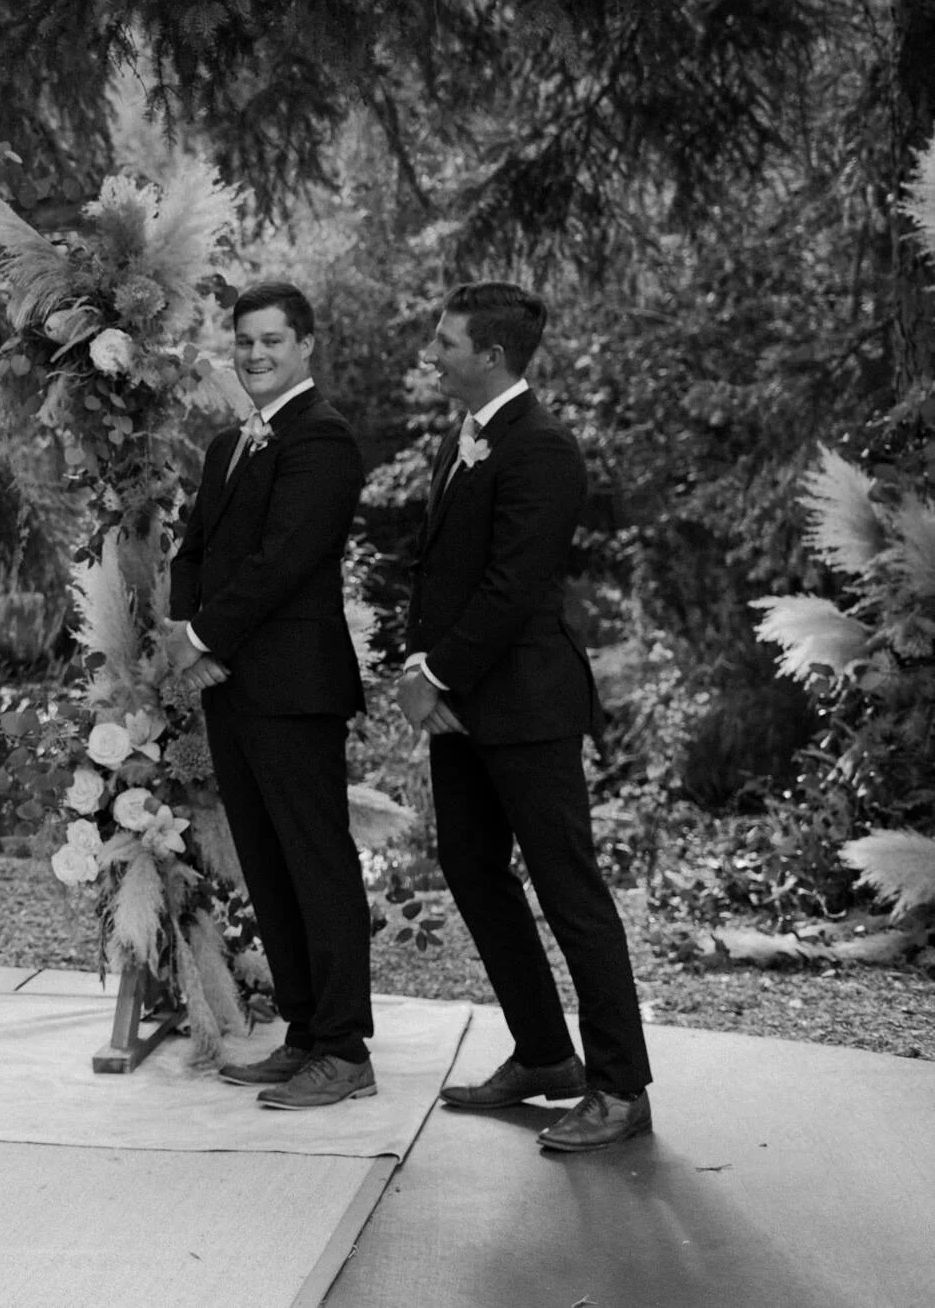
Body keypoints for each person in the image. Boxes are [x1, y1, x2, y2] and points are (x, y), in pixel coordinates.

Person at [395, 282, 652, 1154]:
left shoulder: (544, 448)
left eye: (444, 342)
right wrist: (420, 662)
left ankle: (620, 1086)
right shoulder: (462, 437)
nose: (432, 354)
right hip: (464, 706)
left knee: (570, 890)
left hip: (529, 705)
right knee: (471, 867)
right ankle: (545, 1053)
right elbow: (442, 570)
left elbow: (513, 586)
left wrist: (436, 673)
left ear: (492, 354)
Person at [164, 281, 374, 1109]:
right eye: (245, 340)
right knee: (267, 862)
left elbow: (283, 561)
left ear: (305, 345)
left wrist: (204, 639)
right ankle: (306, 1031)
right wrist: (190, 635)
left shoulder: (323, 438)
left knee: (317, 862)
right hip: (230, 684)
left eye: (271, 340)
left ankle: (346, 1047)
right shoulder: (229, 445)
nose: (255, 354)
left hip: (294, 687)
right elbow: (193, 551)